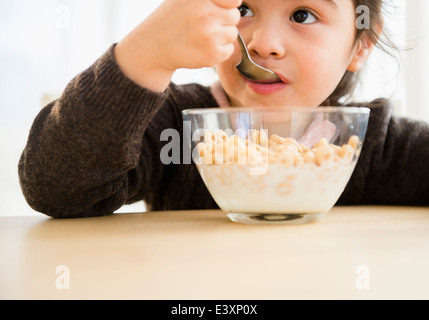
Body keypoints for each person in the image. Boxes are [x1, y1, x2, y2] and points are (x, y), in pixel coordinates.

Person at [18, 0, 429, 218]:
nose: (265, 42)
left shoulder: (370, 143)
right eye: (244, 10)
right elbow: (57, 188)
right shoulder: (174, 126)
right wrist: (145, 54)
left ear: (361, 44)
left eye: (303, 14)